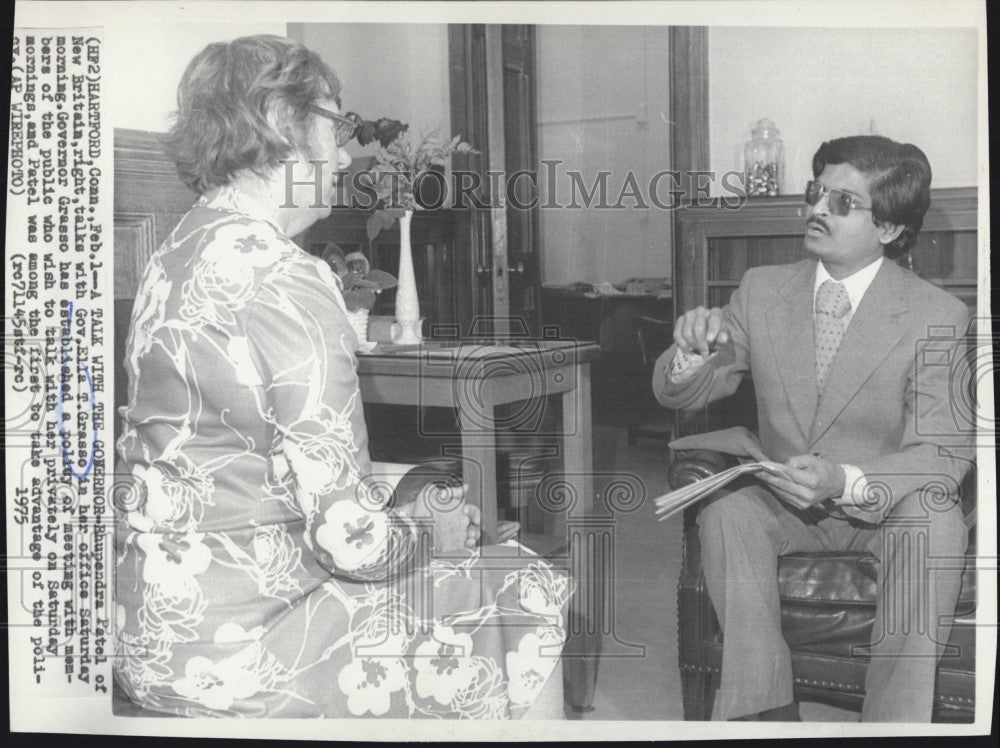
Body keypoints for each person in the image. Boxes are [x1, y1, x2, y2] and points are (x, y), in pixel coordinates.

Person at [114, 35, 569, 719]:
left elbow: (247, 464)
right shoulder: (288, 276)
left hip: (147, 628)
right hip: (242, 648)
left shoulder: (172, 253)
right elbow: (350, 541)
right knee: (523, 581)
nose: (349, 151)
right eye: (338, 123)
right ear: (282, 123)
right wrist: (427, 535)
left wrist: (402, 504)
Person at [654, 136, 972, 722]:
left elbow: (943, 452)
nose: (817, 209)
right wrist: (692, 352)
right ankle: (765, 712)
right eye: (816, 192)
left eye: (842, 201)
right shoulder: (763, 289)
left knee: (935, 517)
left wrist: (842, 479)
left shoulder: (938, 315)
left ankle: (894, 726)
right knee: (726, 513)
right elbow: (681, 391)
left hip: (882, 505)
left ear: (889, 229)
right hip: (787, 505)